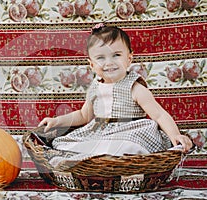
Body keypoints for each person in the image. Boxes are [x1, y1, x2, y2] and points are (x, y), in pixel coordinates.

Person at [38, 23, 193, 159]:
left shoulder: (134, 87)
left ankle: (118, 159)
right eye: (101, 58)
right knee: (63, 144)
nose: (109, 63)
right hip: (101, 131)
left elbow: (159, 114)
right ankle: (97, 161)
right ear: (91, 65)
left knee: (125, 146)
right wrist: (57, 121)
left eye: (116, 55)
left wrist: (175, 135)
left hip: (130, 130)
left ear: (129, 59)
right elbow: (83, 115)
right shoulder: (95, 87)